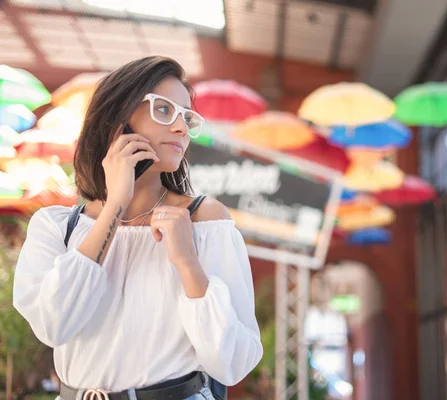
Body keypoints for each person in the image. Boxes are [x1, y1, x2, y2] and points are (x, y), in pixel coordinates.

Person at [12, 56, 263, 400]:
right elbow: (54, 325)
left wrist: (188, 264)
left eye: (187, 118)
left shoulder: (203, 220)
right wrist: (115, 205)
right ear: (117, 119)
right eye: (164, 110)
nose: (181, 129)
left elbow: (234, 362)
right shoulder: (57, 226)